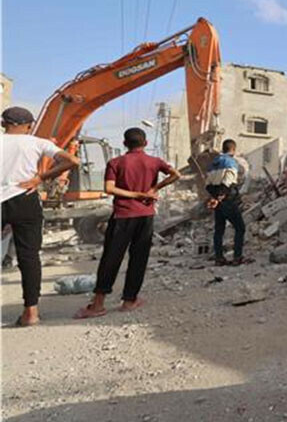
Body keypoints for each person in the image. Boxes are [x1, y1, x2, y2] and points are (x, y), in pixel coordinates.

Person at [74, 128, 180, 319]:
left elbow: (109, 188)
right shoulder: (154, 162)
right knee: (139, 258)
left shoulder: (116, 162)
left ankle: (98, 305)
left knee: (111, 258)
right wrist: (153, 189)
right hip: (146, 216)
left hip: (123, 216)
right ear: (145, 143)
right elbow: (176, 174)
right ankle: (129, 301)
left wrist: (136, 194)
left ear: (124, 144)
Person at [2, 107, 79, 326]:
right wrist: (40, 178)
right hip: (25, 199)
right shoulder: (37, 143)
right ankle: (31, 313)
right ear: (29, 125)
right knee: (29, 257)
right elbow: (73, 161)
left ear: (3, 124)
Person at [205, 139, 252, 266]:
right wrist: (220, 197)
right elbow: (228, 182)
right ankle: (237, 257)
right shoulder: (231, 162)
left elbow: (208, 185)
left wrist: (214, 198)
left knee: (219, 230)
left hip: (217, 201)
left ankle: (219, 258)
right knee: (240, 228)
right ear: (233, 149)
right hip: (228, 200)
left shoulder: (213, 164)